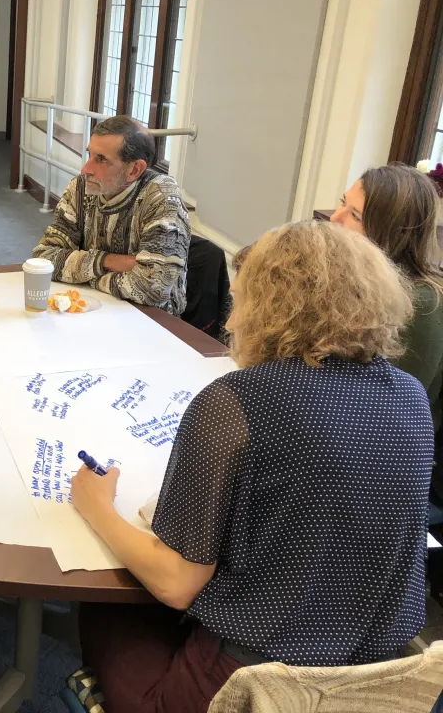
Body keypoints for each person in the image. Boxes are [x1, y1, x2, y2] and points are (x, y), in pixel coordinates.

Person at [72, 220, 432, 713]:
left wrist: (99, 509)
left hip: (254, 690)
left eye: (239, 302)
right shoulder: (409, 396)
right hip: (375, 679)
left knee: (102, 598)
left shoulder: (236, 402)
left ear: (273, 309)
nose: (232, 321)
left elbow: (176, 585)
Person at [330, 164, 443, 453]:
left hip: (386, 457)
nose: (335, 218)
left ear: (393, 233)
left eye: (354, 216)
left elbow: (393, 417)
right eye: (342, 203)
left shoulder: (422, 303)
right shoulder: (357, 278)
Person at [32, 115, 190, 315]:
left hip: (149, 320)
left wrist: (81, 272)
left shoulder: (161, 197)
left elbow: (153, 288)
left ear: (134, 170)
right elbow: (45, 258)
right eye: (89, 154)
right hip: (92, 308)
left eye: (101, 160)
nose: (86, 169)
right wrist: (109, 261)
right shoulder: (81, 187)